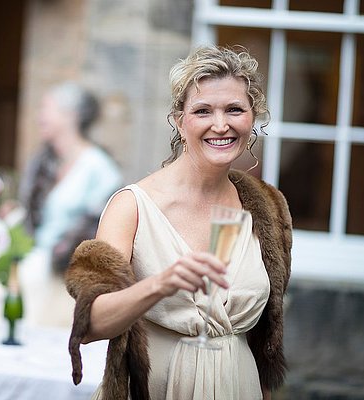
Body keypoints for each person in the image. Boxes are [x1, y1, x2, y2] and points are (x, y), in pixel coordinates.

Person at [65, 46, 292, 400]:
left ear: (253, 117)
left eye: (234, 109)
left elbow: (263, 339)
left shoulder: (267, 207)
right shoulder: (132, 207)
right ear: (179, 120)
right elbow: (90, 324)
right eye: (203, 111)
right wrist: (160, 284)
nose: (221, 125)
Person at [18, 81, 123, 327]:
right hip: (35, 274)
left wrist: (65, 255)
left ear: (69, 116)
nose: (39, 116)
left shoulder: (99, 168)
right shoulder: (44, 162)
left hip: (68, 282)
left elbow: (103, 223)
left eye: (46, 109)